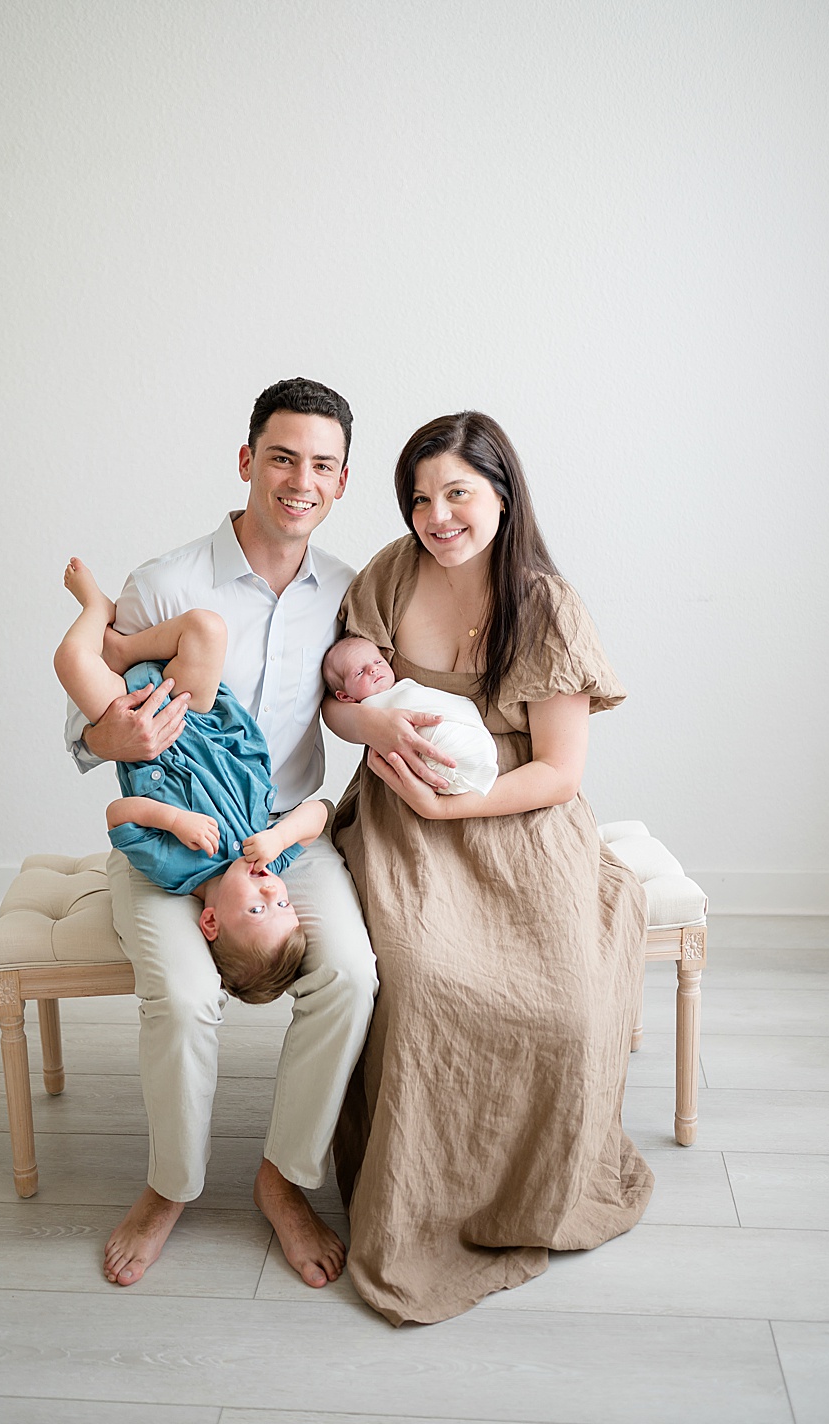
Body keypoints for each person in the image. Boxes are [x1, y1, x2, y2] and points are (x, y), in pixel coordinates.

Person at [64, 377, 434, 1290]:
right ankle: (170, 1187)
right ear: (247, 462)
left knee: (352, 974)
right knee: (186, 1000)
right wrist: (114, 734)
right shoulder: (167, 582)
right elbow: (81, 726)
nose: (299, 480)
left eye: (321, 465)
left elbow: (360, 705)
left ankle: (283, 1178)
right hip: (169, 847)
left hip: (284, 843)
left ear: (341, 483)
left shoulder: (351, 593)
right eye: (281, 457)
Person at [323, 410, 651, 1324]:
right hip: (403, 804)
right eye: (421, 498)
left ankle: (536, 1194)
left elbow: (558, 770)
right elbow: (342, 704)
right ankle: (418, 1198)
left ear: (501, 494)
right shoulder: (391, 574)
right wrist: (379, 729)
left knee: (566, 998)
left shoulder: (545, 603)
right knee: (425, 981)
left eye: (457, 493)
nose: (438, 516)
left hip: (512, 809)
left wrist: (454, 804)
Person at [54, 560, 330, 1004]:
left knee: (70, 660)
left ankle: (92, 606)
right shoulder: (266, 856)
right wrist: (280, 837)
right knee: (207, 627)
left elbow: (117, 816)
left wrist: (176, 821)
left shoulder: (174, 869)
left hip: (135, 720)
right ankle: (124, 648)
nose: (271, 890)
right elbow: (320, 812)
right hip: (199, 714)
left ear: (211, 922)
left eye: (258, 908)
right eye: (284, 905)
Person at [322, 634, 499, 796]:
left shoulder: (405, 687)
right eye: (359, 672)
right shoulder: (372, 708)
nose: (373, 670)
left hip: (476, 750)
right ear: (345, 696)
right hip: (436, 764)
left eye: (378, 662)